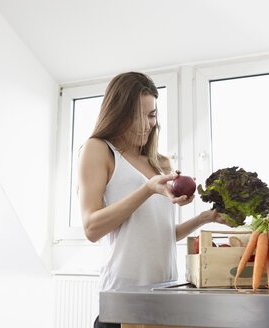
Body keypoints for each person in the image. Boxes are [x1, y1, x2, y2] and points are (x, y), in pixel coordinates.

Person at [77, 72, 231, 328]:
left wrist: (205, 217)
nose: (147, 124)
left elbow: (160, 235)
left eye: (152, 115)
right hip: (123, 301)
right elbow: (91, 228)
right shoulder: (99, 149)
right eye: (139, 115)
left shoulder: (159, 163)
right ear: (118, 113)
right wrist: (147, 189)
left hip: (164, 297)